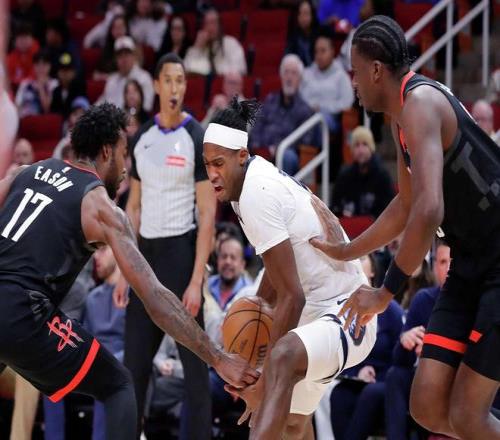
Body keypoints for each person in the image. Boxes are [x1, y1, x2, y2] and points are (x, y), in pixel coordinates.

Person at [0, 102, 257, 440]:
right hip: (23, 313)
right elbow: (156, 300)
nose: (126, 168)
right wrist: (218, 358)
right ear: (107, 152)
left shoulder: (23, 172)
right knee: (120, 384)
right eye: (124, 154)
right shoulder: (101, 207)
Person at [309, 15, 500, 440]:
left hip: (498, 261)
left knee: (469, 416)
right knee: (426, 405)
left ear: (376, 70)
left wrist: (385, 292)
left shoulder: (420, 103)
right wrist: (348, 249)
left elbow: (429, 211)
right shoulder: (402, 119)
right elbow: (407, 203)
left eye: (356, 72)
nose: (353, 83)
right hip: (471, 264)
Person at [203, 97, 377, 439]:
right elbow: (278, 270)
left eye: (219, 163)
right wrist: (257, 311)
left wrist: (263, 381)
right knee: (292, 423)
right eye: (207, 164)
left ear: (241, 156)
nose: (212, 174)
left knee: (276, 373)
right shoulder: (248, 181)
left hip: (348, 313)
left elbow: (291, 296)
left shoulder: (256, 193)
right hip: (318, 311)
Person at [115, 53, 216, 439]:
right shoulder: (141, 138)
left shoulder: (195, 136)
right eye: (169, 80)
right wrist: (124, 270)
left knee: (195, 371)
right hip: (145, 260)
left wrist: (196, 281)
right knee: (133, 371)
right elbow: (133, 208)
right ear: (156, 85)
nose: (175, 88)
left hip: (181, 255)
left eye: (181, 81)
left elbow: (207, 213)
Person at [385, 240, 451, 440]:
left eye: (453, 261)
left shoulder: (475, 301)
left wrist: (434, 354)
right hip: (422, 378)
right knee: (395, 376)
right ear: (434, 266)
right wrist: (404, 341)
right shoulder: (423, 299)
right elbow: (398, 360)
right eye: (443, 262)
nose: (449, 268)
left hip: (457, 379)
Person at [249, 54, 316, 175]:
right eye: (286, 72)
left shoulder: (305, 109)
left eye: (294, 73)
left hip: (286, 155)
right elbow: (256, 129)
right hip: (263, 152)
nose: (289, 77)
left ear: (300, 79)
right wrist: (260, 147)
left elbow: (305, 141)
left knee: (287, 156)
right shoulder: (270, 100)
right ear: (281, 76)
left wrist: (277, 148)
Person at [331, 125, 394, 218]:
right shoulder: (344, 177)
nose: (360, 150)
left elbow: (389, 211)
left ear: (371, 148)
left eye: (365, 144)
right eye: (357, 145)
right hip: (351, 226)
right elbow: (335, 207)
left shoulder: (382, 176)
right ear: (352, 150)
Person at [97, 36, 154, 112]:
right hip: (111, 118)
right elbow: (100, 104)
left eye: (127, 54)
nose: (124, 59)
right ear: (115, 59)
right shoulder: (112, 79)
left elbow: (147, 107)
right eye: (120, 55)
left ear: (134, 56)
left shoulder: (144, 78)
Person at [184, 8, 247, 76]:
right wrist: (197, 47)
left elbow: (240, 69)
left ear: (220, 25)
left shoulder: (231, 43)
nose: (210, 27)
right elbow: (186, 70)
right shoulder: (199, 46)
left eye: (213, 23)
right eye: (206, 23)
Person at [15, 49, 58, 117]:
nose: (41, 68)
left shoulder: (54, 84)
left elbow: (47, 109)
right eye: (37, 64)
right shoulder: (25, 84)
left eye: (44, 64)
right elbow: (17, 106)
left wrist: (41, 87)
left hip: (44, 121)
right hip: (26, 120)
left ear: (50, 66)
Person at [50, 52, 87, 119]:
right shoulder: (56, 91)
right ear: (58, 72)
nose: (65, 74)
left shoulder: (80, 89)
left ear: (74, 72)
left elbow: (81, 111)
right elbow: (53, 113)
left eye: (68, 70)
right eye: (62, 70)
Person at [285, 0, 319, 67]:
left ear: (312, 15)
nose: (303, 18)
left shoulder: (320, 34)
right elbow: (287, 58)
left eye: (306, 13)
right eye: (300, 14)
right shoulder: (293, 36)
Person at [6, 22, 40, 88]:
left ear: (32, 39)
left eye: (26, 38)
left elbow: (35, 75)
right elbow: (8, 78)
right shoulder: (10, 58)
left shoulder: (38, 53)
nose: (23, 42)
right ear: (15, 41)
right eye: (20, 38)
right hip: (16, 88)